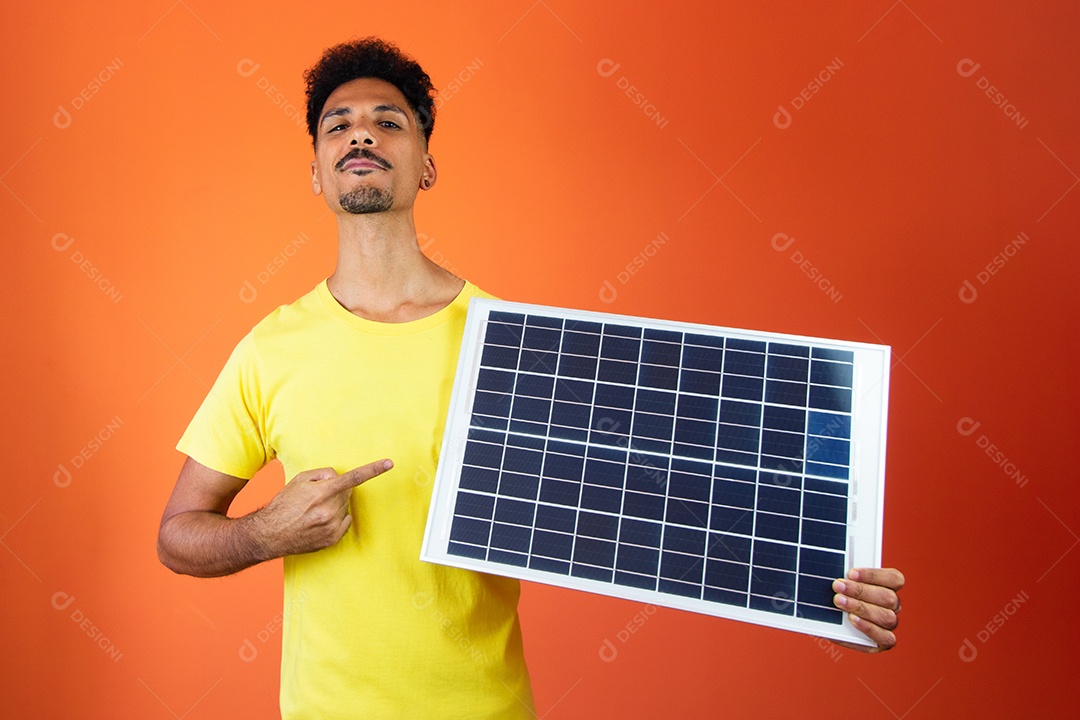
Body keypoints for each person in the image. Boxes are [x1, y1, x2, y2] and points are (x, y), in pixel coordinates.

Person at [157, 37, 904, 719]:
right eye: (337, 125)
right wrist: (265, 533)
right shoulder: (271, 347)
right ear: (316, 173)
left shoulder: (515, 345)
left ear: (426, 165)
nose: (360, 133)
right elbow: (178, 535)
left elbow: (674, 496)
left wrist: (819, 592)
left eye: (389, 122)